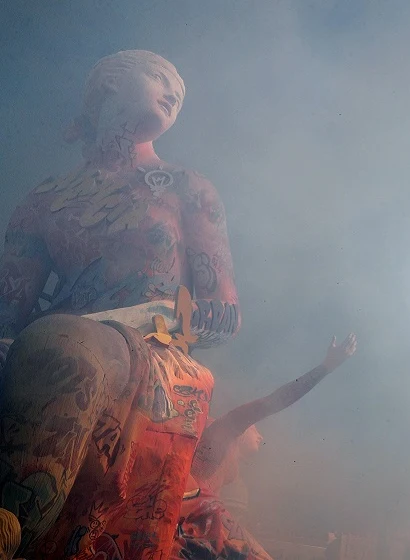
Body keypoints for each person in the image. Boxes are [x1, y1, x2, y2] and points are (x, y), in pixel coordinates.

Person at [0, 50, 240, 558]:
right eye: (160, 76)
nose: (175, 92)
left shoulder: (188, 188)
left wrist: (187, 319)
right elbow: (7, 311)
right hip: (54, 340)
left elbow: (223, 313)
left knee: (60, 346)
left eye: (181, 91)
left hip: (150, 351)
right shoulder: (45, 198)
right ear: (109, 84)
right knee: (46, 345)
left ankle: (14, 529)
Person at [174, 334, 358, 560]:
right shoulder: (223, 431)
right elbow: (274, 401)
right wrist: (325, 368)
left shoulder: (230, 467)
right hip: (185, 514)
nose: (261, 435)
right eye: (255, 427)